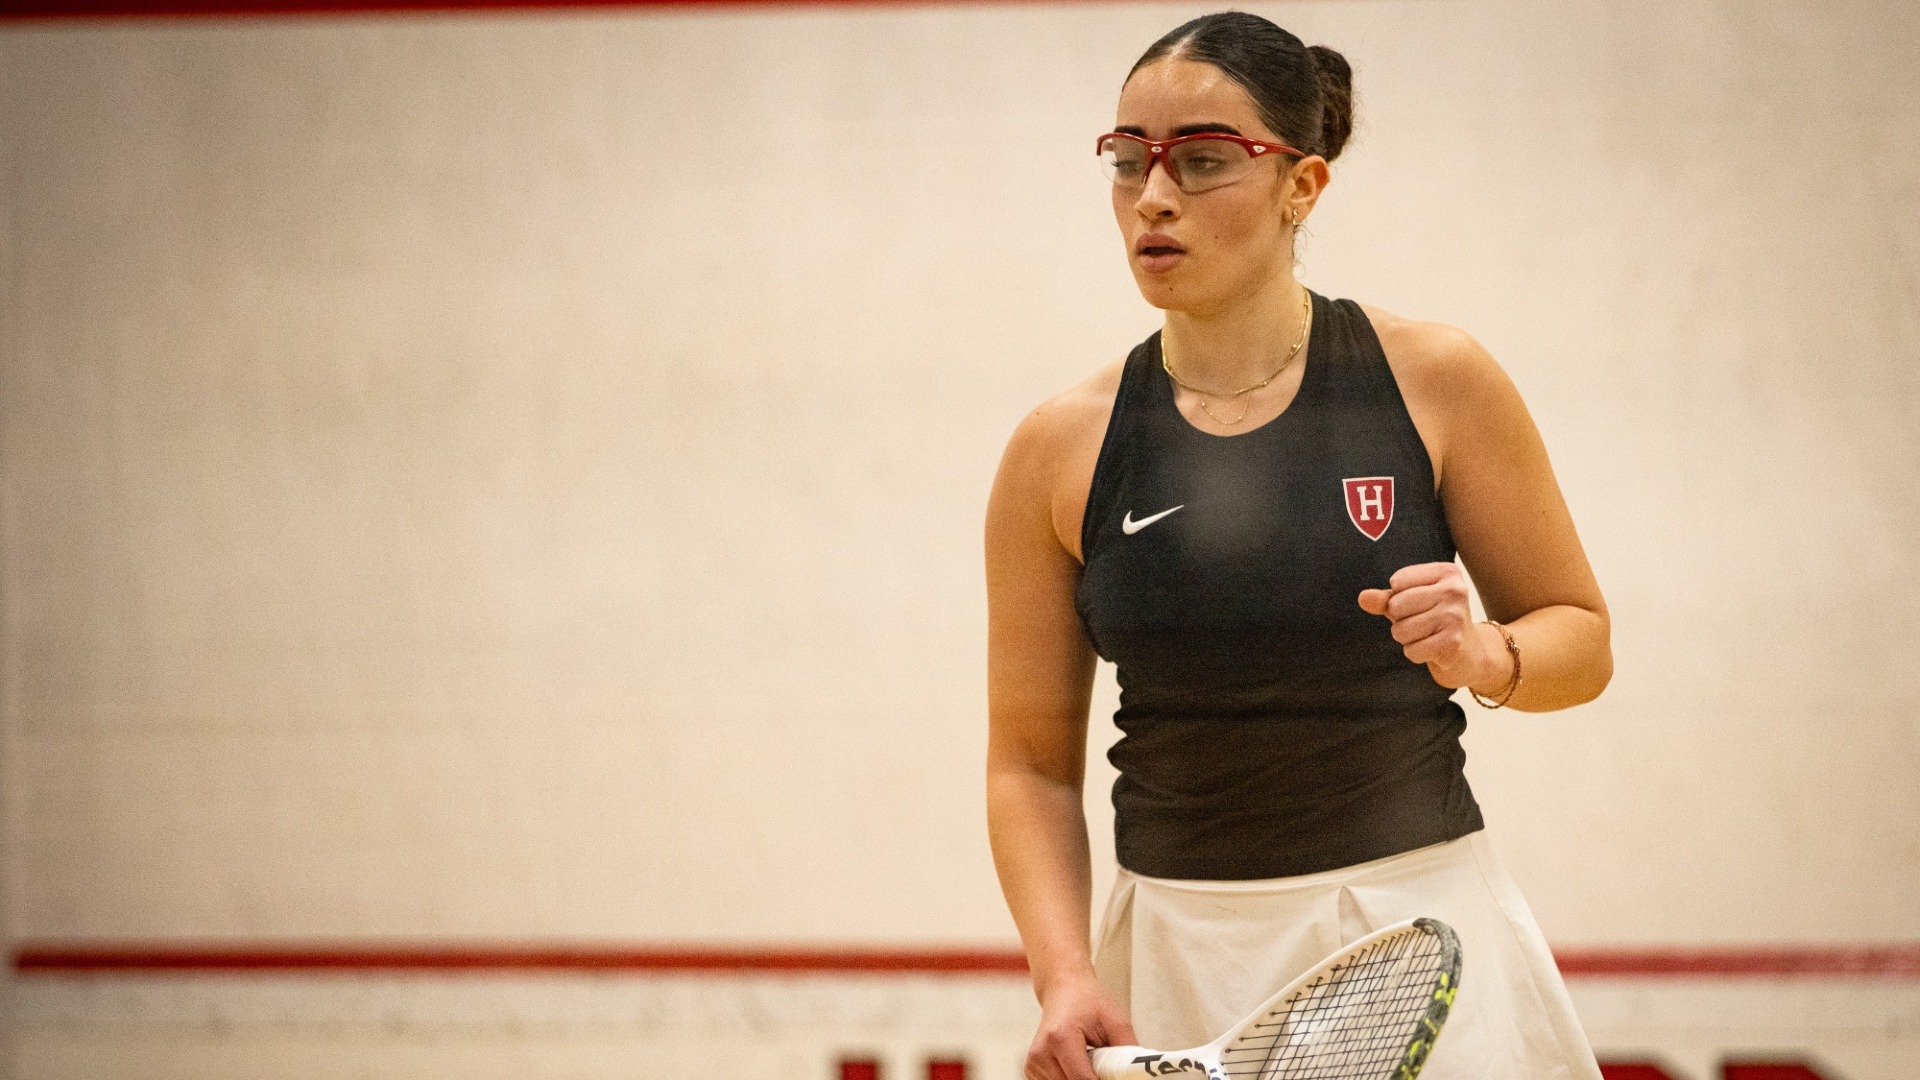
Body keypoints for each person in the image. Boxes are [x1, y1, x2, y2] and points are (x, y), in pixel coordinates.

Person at [983, 13, 1613, 1080]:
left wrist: (1485, 654)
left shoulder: (1436, 380)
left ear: (1302, 185)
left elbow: (1583, 642)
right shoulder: (1057, 448)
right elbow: (1029, 767)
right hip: (1172, 952)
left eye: (1203, 160)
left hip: (1414, 937)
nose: (1154, 195)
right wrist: (1063, 974)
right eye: (1129, 159)